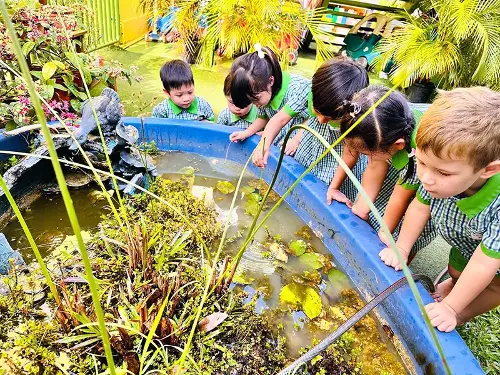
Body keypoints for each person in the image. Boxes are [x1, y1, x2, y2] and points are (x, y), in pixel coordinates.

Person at [379, 87, 500, 332]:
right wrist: (402, 247)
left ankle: (462, 311)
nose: (426, 178)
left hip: (494, 261)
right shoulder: (435, 175)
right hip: (464, 240)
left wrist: (452, 309)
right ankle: (453, 283)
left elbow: (484, 263)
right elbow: (420, 208)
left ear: (488, 170)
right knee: (457, 268)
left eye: (443, 172)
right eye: (422, 162)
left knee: (493, 287)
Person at [329, 86, 435, 256]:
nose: (367, 158)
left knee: (407, 227)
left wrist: (385, 232)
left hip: (432, 183)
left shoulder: (422, 154)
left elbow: (402, 194)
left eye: (366, 154)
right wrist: (361, 208)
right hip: (400, 156)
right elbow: (374, 165)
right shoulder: (380, 123)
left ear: (397, 145)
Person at [294, 57, 369, 200]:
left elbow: (349, 156)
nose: (321, 121)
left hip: (336, 162)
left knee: (323, 193)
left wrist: (334, 187)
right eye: (317, 112)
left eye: (330, 118)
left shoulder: (353, 120)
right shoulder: (319, 93)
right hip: (311, 147)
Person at [227, 44, 311, 161]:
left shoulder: (298, 89)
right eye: (251, 100)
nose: (255, 104)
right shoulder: (264, 94)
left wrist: (296, 139)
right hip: (284, 144)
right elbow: (263, 118)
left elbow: (314, 118)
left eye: (256, 99)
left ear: (271, 81)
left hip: (304, 141)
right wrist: (246, 133)